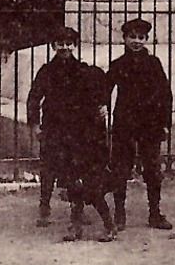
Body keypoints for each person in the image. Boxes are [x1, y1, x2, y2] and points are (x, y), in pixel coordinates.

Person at [26, 26, 117, 242]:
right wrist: (35, 124)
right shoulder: (47, 71)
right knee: (61, 174)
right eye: (60, 43)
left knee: (86, 183)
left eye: (69, 43)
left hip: (80, 134)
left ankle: (102, 224)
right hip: (55, 129)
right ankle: (63, 217)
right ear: (53, 46)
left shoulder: (84, 71)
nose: (64, 47)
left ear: (75, 46)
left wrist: (102, 107)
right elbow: (34, 97)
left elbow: (98, 94)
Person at [106, 17, 173, 231]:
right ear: (124, 39)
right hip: (125, 122)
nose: (136, 41)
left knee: (152, 169)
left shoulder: (154, 64)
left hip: (149, 123)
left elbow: (165, 93)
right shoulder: (118, 65)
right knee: (121, 168)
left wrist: (164, 123)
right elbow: (104, 90)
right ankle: (119, 213)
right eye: (132, 37)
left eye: (141, 37)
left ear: (146, 40)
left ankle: (155, 213)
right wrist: (101, 109)